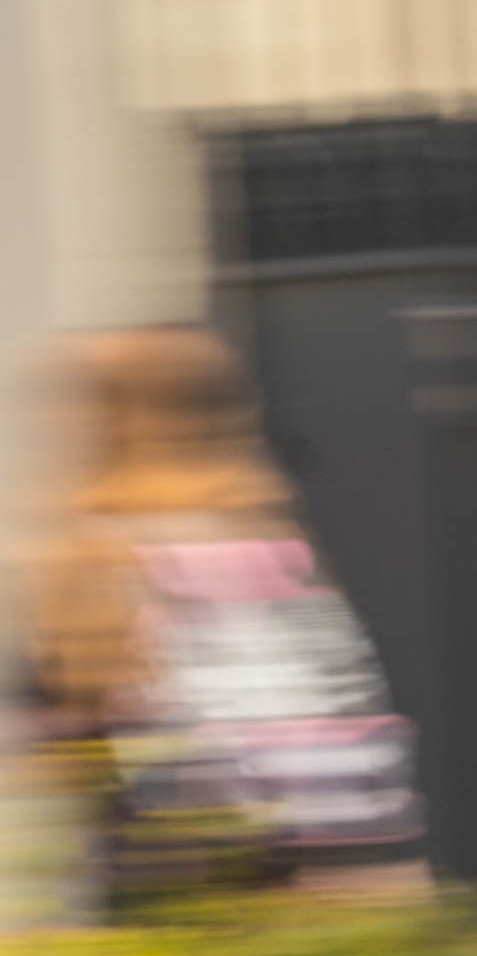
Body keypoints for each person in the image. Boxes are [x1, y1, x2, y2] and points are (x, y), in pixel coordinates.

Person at [16, 327, 418, 913]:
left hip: (185, 867)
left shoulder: (99, 551)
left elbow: (76, 737)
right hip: (328, 857)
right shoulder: (278, 543)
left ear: (114, 419)